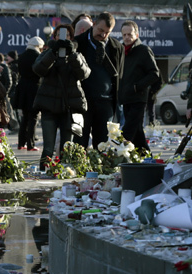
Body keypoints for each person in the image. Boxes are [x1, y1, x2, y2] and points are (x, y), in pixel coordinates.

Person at [32, 24, 90, 170]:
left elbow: (84, 74)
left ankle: (63, 175)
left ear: (71, 38)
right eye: (59, 35)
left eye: (66, 35)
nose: (63, 38)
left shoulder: (76, 54)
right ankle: (44, 173)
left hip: (69, 108)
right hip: (49, 107)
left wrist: (72, 55)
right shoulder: (48, 52)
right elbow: (38, 69)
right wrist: (53, 53)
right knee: (48, 147)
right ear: (55, 37)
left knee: (66, 147)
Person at [75, 12, 124, 149]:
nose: (103, 35)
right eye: (101, 30)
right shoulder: (79, 43)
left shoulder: (117, 48)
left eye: (107, 33)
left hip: (106, 103)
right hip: (82, 102)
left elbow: (119, 75)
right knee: (80, 143)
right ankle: (80, 170)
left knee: (102, 145)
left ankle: (100, 170)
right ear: (94, 24)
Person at [119, 20, 159, 151]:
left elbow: (154, 74)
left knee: (127, 133)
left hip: (138, 99)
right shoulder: (122, 51)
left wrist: (138, 87)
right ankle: (147, 160)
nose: (126, 37)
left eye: (129, 34)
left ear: (136, 34)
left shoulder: (143, 50)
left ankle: (116, 156)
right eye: (124, 35)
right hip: (126, 99)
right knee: (138, 134)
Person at [15, 36, 43, 151]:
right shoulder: (38, 57)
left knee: (25, 118)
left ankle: (21, 143)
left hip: (22, 88)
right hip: (34, 89)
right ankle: (31, 144)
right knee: (33, 118)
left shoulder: (21, 56)